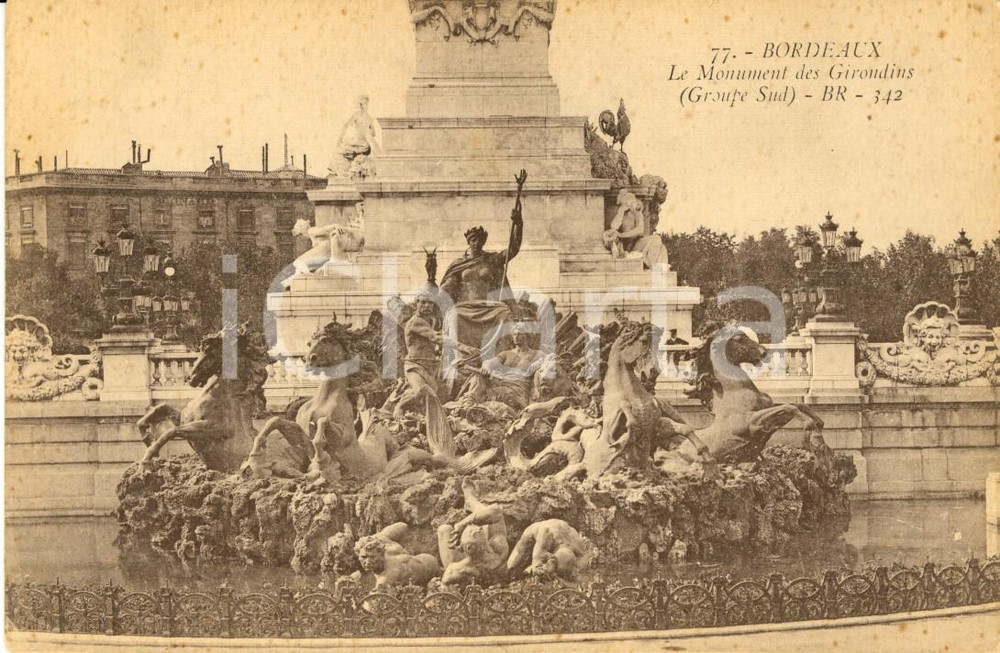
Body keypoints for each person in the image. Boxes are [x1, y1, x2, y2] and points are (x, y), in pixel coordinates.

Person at [437, 478, 509, 587]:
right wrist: (462, 524)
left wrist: (462, 525)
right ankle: (470, 501)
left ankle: (470, 501)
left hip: (463, 563)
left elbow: (444, 588)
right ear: (486, 546)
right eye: (476, 529)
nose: (478, 528)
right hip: (480, 566)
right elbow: (496, 511)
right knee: (488, 518)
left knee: (444, 529)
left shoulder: (454, 569)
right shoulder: (498, 550)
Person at [459, 324, 545, 410]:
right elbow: (489, 362)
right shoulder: (506, 354)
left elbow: (549, 361)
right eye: (514, 334)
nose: (516, 337)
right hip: (500, 382)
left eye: (519, 334)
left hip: (517, 388)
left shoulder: (537, 354)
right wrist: (486, 368)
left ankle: (476, 404)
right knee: (478, 377)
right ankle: (468, 403)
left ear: (527, 335)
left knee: (494, 394)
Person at [354, 522, 441, 588]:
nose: (368, 561)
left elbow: (371, 604)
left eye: (373, 557)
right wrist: (371, 539)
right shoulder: (381, 541)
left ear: (381, 554)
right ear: (358, 555)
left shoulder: (387, 576)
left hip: (431, 571)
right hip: (423, 558)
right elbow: (403, 526)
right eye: (364, 557)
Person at [602, 189, 669, 269]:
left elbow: (640, 230)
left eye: (631, 201)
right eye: (627, 202)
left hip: (637, 243)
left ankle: (652, 266)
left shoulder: (637, 213)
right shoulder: (621, 213)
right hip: (627, 246)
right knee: (657, 241)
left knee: (657, 240)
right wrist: (621, 212)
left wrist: (621, 235)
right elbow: (614, 227)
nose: (631, 204)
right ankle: (651, 265)